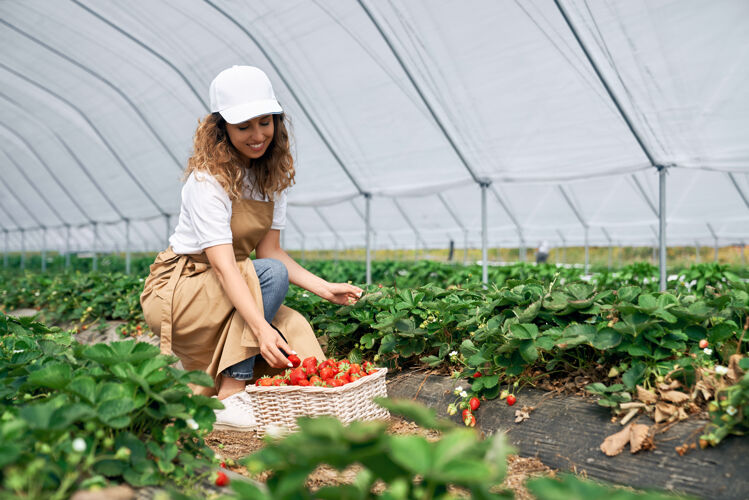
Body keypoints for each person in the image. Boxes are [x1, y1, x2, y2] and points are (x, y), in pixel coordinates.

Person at [140, 65, 363, 431]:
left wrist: (325, 288)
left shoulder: (270, 179)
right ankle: (232, 392)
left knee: (292, 326)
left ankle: (307, 404)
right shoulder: (207, 181)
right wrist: (260, 330)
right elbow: (228, 267)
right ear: (221, 129)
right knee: (268, 294)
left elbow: (271, 252)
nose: (257, 135)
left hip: (235, 282)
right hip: (183, 289)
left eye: (265, 122)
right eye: (244, 126)